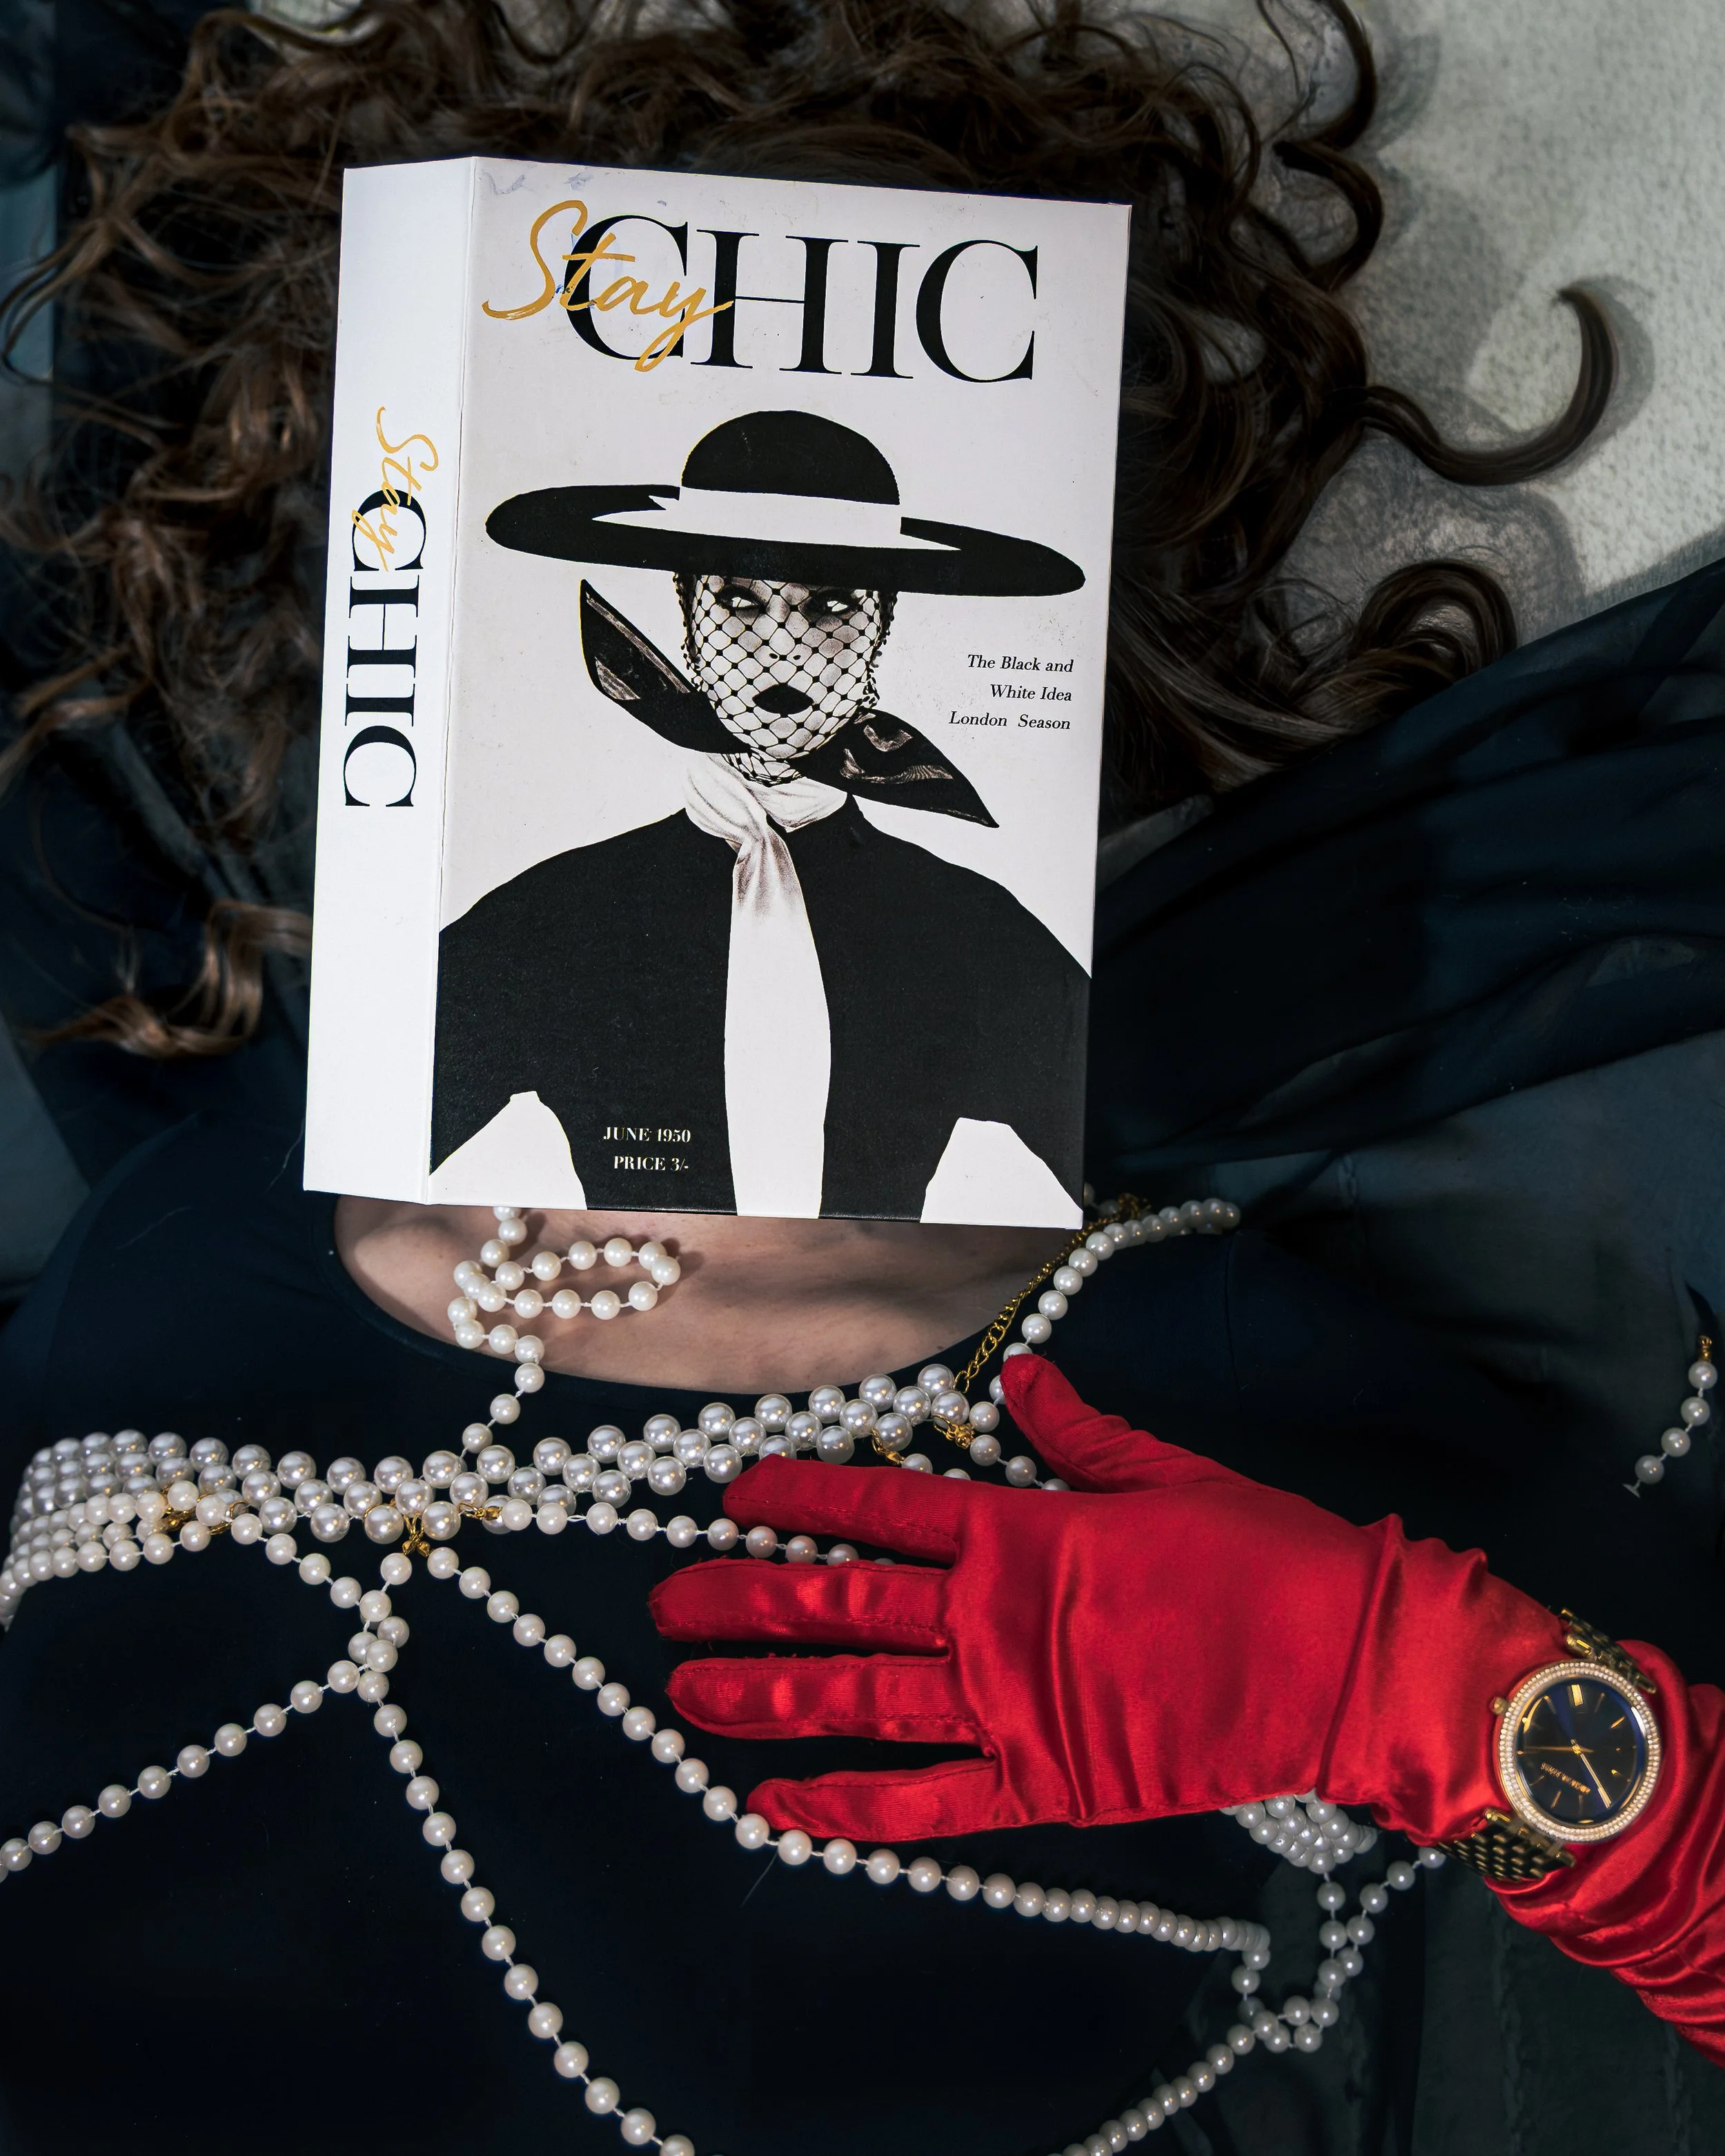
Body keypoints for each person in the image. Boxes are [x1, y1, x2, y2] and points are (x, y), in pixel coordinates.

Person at [4, 3, 1724, 2154]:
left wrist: (1446, 1700)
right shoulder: (250, 1175)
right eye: (731, 588)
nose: (782, 642)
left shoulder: (1159, 1356)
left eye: (841, 599)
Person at [435, 410, 1090, 1219]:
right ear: (688, 620)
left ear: (882, 625)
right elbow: (367, 1146)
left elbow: (1134, 1171)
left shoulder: (970, 929)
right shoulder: (555, 917)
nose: (783, 646)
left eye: (831, 606)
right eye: (740, 603)